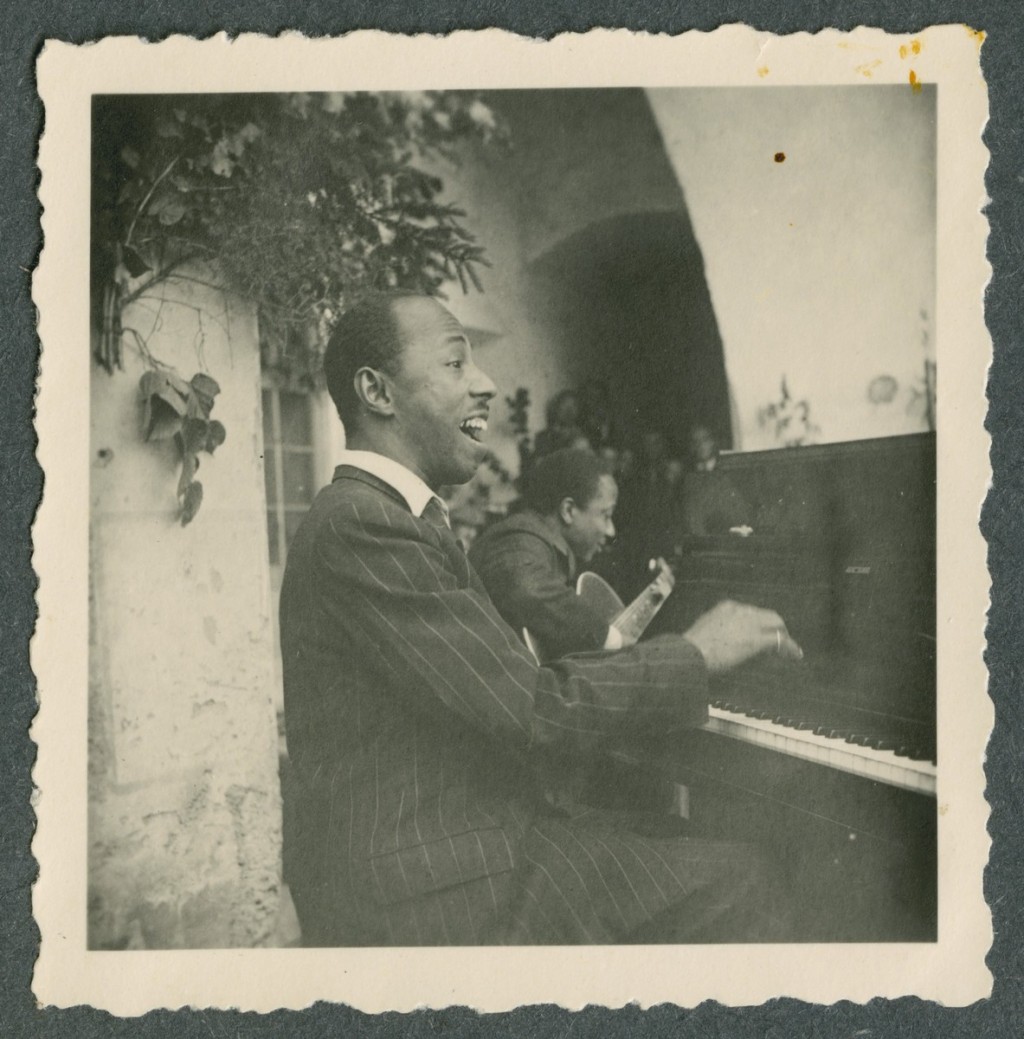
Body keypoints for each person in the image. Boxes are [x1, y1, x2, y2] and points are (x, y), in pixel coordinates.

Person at [279, 291, 801, 946]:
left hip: (457, 849)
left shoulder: (387, 517)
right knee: (747, 875)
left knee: (686, 839)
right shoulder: (366, 522)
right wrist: (693, 653)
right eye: (455, 362)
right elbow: (531, 708)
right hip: (436, 888)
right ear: (376, 391)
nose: (486, 382)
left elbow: (500, 697)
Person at [469, 448, 626, 663]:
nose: (611, 531)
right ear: (568, 510)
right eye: (605, 515)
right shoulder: (519, 539)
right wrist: (612, 638)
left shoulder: (541, 542)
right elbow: (524, 587)